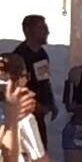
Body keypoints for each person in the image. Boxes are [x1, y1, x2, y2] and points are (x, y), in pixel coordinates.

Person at [11, 13, 57, 142]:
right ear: (28, 30)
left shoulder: (42, 54)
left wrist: (50, 103)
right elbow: (16, 86)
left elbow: (44, 80)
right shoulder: (19, 56)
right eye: (41, 28)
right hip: (24, 113)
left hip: (39, 114)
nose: (47, 32)